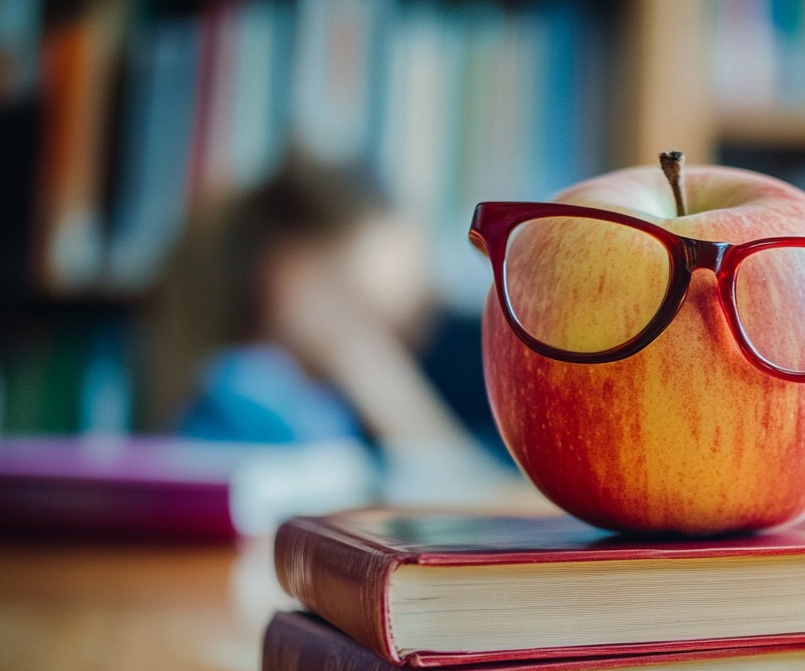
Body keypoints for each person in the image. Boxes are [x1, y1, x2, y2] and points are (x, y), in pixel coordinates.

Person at [144, 158, 538, 507]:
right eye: (376, 328)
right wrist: (360, 357)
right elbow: (477, 501)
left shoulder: (329, 412)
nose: (392, 360)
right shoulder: (243, 397)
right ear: (289, 277)